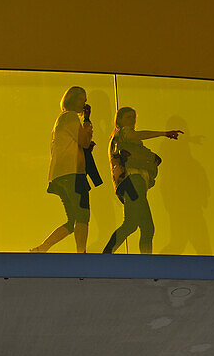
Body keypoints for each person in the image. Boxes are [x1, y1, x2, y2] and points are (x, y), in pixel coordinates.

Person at [102, 107, 182, 254]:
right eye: (128, 117)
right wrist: (163, 133)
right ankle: (114, 255)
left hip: (130, 183)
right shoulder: (124, 133)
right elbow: (136, 136)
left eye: (133, 117)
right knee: (143, 226)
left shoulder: (121, 140)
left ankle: (112, 255)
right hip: (133, 181)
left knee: (137, 225)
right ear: (119, 120)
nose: (131, 120)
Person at [31, 86, 94, 253]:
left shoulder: (63, 119)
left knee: (73, 219)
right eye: (82, 99)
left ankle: (43, 247)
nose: (84, 103)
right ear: (72, 100)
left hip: (61, 175)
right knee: (82, 216)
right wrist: (87, 122)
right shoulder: (70, 117)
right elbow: (84, 142)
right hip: (72, 173)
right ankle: (81, 253)